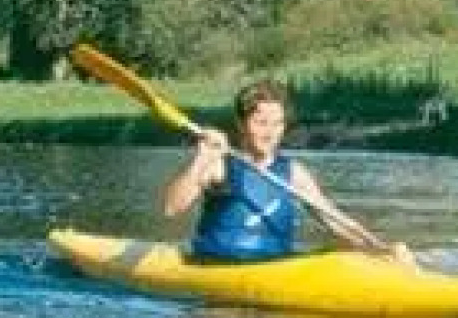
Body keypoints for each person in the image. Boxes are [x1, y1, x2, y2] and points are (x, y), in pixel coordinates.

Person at [162, 79, 411, 263]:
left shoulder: (293, 173)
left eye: (277, 123)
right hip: (218, 265)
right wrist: (201, 158)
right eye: (261, 123)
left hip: (275, 265)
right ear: (241, 124)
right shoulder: (219, 166)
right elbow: (171, 208)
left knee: (344, 254)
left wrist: (380, 250)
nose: (270, 133)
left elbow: (332, 219)